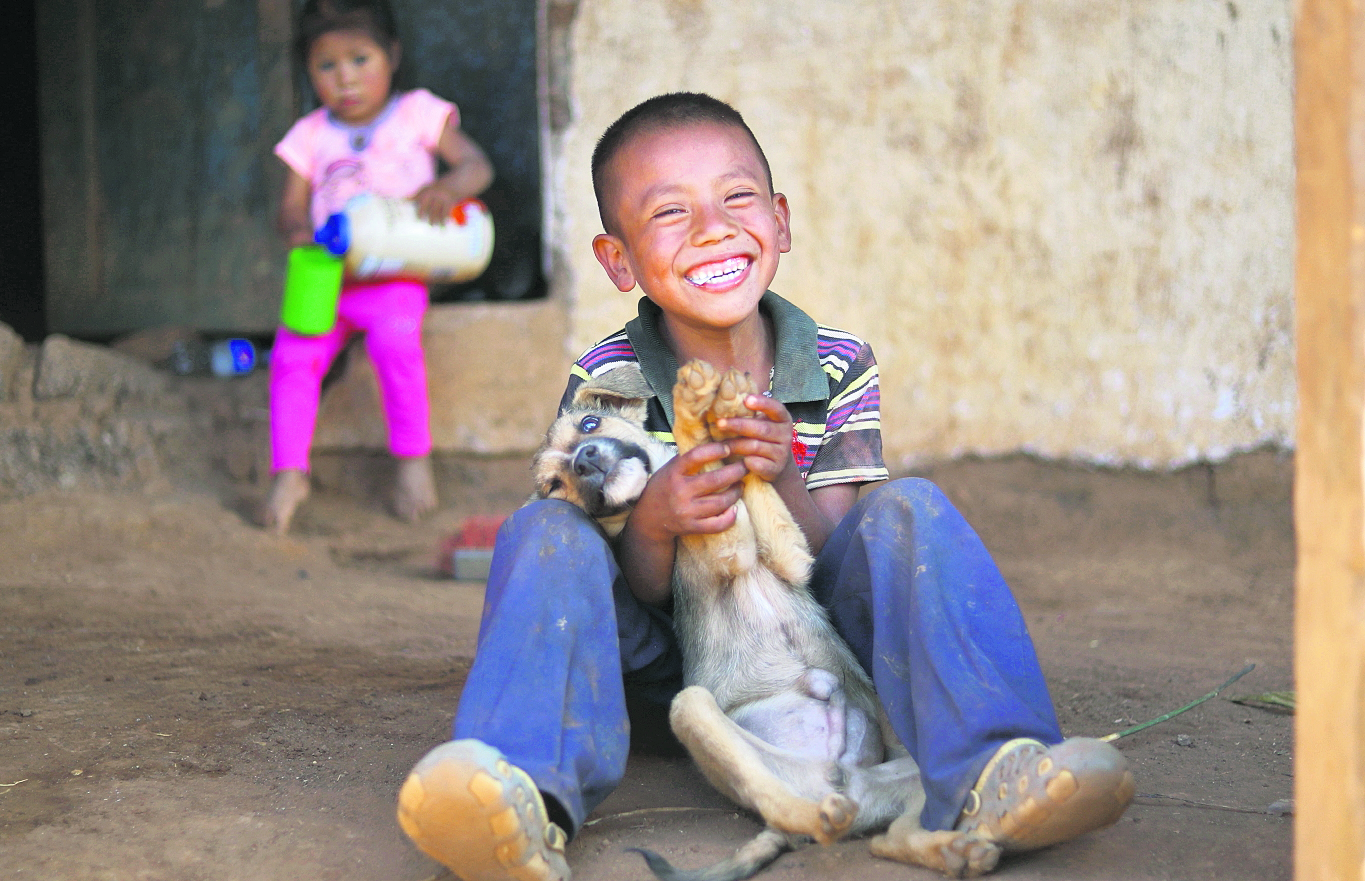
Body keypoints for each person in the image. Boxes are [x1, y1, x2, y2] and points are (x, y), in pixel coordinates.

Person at [396, 92, 1132, 881]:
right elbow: (624, 588)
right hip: (669, 672)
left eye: (736, 197)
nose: (712, 228)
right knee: (545, 530)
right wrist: (654, 521)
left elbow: (827, 561)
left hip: (817, 652)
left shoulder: (839, 362)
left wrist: (779, 469)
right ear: (618, 261)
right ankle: (520, 791)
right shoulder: (606, 380)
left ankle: (993, 770)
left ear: (779, 221)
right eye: (669, 212)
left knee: (908, 508)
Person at [260, 0, 494, 533]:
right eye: (326, 65)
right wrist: (296, 230)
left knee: (395, 344)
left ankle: (412, 461)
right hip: (329, 276)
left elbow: (477, 166)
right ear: (309, 72)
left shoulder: (416, 113)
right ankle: (289, 472)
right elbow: (290, 207)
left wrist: (446, 188)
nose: (345, 78)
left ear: (392, 55)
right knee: (293, 357)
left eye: (360, 59)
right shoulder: (311, 133)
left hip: (395, 275)